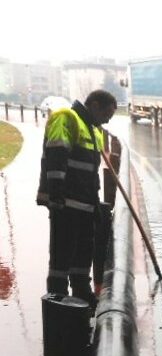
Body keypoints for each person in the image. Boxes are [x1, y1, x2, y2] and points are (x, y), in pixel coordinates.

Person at [36, 89, 117, 307]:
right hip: (65, 202)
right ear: (95, 105)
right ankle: (58, 299)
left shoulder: (94, 130)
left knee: (83, 253)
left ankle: (82, 293)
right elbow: (56, 158)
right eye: (106, 115)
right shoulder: (67, 118)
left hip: (85, 204)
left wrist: (95, 204)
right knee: (62, 255)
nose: (106, 121)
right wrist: (56, 195)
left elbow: (91, 172)